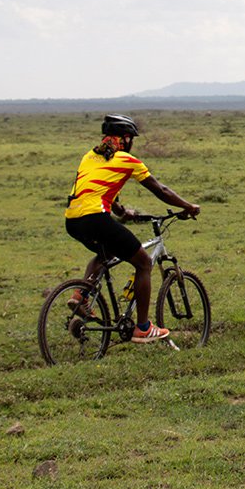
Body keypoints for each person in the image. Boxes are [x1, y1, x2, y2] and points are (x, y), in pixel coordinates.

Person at [64, 114, 200, 342]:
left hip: (73, 220)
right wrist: (188, 206)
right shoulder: (127, 160)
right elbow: (160, 189)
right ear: (125, 139)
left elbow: (97, 190)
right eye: (131, 139)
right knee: (144, 263)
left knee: (105, 253)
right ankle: (144, 327)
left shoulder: (89, 156)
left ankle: (81, 295)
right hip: (96, 217)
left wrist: (122, 212)